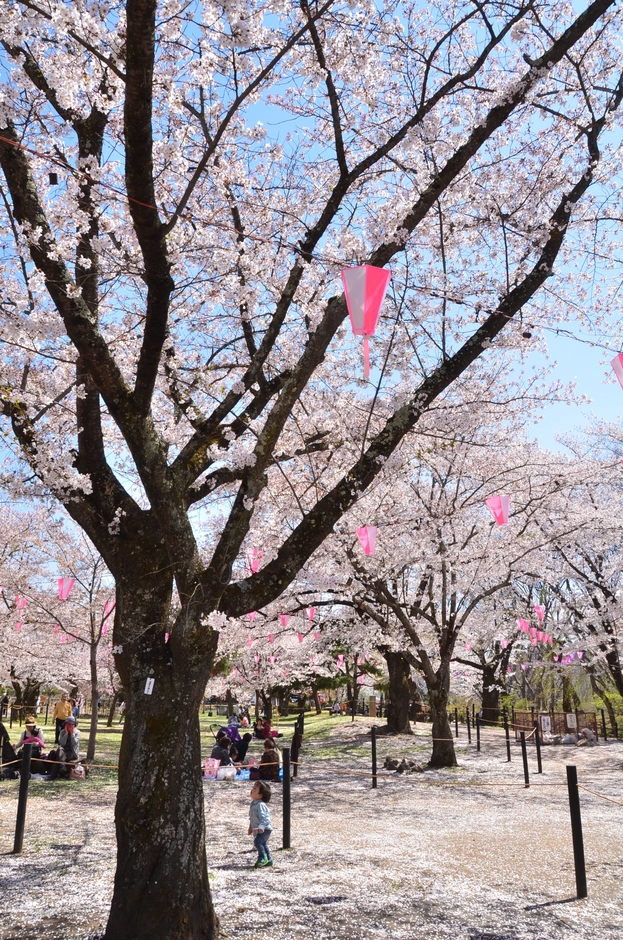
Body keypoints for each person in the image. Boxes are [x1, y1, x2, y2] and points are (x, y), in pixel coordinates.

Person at [248, 780, 273, 869]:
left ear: (260, 795)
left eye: (255, 789)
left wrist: (261, 827)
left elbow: (265, 818)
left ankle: (262, 857)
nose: (252, 789)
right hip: (259, 828)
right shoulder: (253, 804)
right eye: (253, 787)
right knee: (263, 843)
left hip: (265, 828)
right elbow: (252, 817)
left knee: (257, 842)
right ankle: (269, 859)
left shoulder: (260, 805)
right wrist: (250, 827)